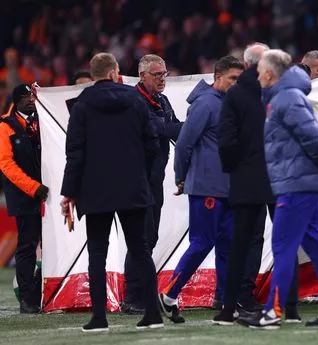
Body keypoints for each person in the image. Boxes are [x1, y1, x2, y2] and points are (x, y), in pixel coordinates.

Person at [240, 50, 318, 330]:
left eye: (260, 70)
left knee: (283, 246)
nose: (257, 75)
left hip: (296, 184)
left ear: (270, 73)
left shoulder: (286, 98)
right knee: (315, 244)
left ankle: (272, 312)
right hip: (300, 182)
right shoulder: (283, 97)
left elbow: (312, 134)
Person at [60, 52, 163, 332]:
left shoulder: (81, 105)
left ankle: (99, 318)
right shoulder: (135, 100)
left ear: (94, 75)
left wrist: (69, 192)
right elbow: (152, 142)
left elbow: (75, 154)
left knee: (97, 254)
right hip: (133, 186)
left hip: (95, 191)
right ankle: (152, 313)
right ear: (115, 72)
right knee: (141, 251)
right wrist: (143, 175)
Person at [214, 43, 302, 325]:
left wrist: (235, 170)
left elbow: (226, 141)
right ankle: (290, 309)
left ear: (246, 63)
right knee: (286, 243)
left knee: (240, 245)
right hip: (282, 177)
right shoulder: (282, 91)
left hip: (247, 177)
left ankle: (229, 309)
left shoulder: (236, 94)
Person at [158, 56, 244, 323]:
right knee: (202, 242)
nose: (237, 84)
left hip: (229, 188)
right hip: (207, 187)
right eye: (233, 79)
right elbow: (184, 144)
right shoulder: (206, 104)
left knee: (228, 246)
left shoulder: (227, 104)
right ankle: (170, 293)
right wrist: (180, 177)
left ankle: (226, 304)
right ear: (218, 76)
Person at [123, 54, 183, 315]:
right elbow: (160, 128)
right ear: (142, 75)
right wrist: (185, 128)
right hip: (137, 178)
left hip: (154, 178)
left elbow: (173, 127)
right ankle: (132, 296)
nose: (162, 79)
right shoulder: (134, 101)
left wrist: (185, 128)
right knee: (140, 239)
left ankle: (137, 294)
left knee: (150, 236)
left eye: (164, 74)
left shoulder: (162, 100)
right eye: (157, 74)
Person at [0, 84, 48, 314]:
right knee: (28, 245)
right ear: (16, 100)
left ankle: (42, 292)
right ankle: (28, 298)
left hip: (47, 194)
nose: (31, 99)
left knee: (50, 246)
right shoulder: (5, 126)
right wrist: (33, 188)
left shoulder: (44, 120)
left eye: (33, 95)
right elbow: (6, 165)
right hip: (25, 195)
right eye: (26, 96)